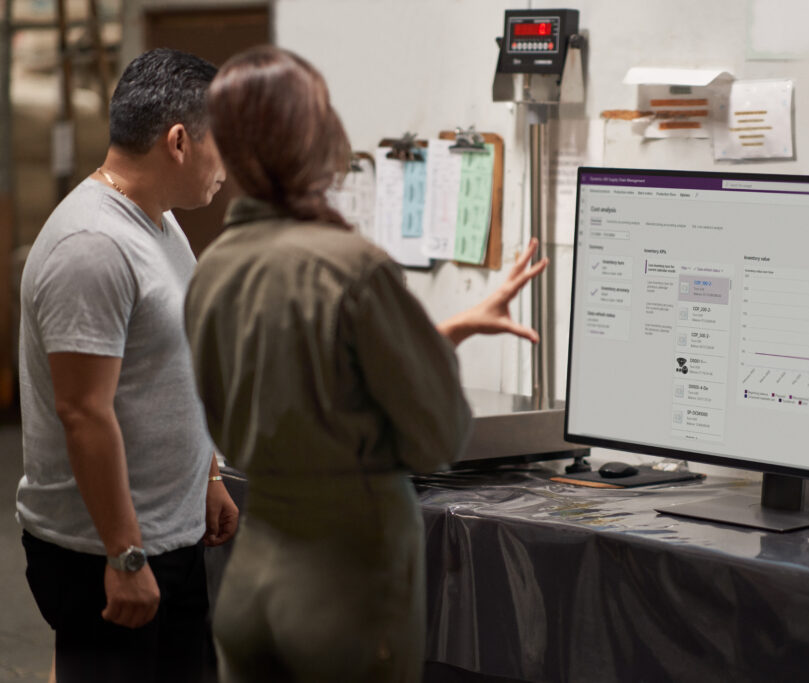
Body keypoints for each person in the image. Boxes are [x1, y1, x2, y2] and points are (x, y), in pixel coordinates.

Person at [183, 45, 547, 682]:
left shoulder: (212, 267)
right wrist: (425, 357)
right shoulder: (351, 268)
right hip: (344, 595)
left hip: (250, 588)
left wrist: (444, 330)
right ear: (310, 137)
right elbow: (437, 437)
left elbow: (300, 368)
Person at [17, 48, 238, 683]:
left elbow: (171, 365)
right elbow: (84, 412)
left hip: (170, 534)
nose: (231, 165)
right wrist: (125, 555)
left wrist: (209, 475)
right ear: (178, 141)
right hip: (105, 554)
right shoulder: (93, 246)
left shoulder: (160, 225)